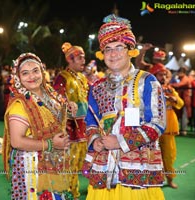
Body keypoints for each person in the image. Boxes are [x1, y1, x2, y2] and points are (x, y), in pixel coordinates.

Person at [82, 15, 166, 200]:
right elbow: (90, 122)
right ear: (101, 54)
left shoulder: (147, 82)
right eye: (108, 49)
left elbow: (157, 124)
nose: (113, 54)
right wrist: (95, 140)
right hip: (103, 168)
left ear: (131, 50)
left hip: (138, 171)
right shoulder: (97, 87)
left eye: (119, 47)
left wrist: (121, 142)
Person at [2, 53, 77, 199]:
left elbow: (56, 117)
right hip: (32, 166)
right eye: (25, 73)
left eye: (35, 71)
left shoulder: (49, 93)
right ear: (18, 77)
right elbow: (17, 142)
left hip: (55, 163)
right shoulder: (20, 105)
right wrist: (50, 144)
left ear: (42, 71)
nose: (32, 76)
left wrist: (69, 108)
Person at [53, 42, 89, 199]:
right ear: (70, 59)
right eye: (80, 58)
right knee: (69, 166)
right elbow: (55, 99)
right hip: (69, 130)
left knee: (79, 165)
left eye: (83, 57)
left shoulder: (82, 78)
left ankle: (72, 192)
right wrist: (66, 104)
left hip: (83, 129)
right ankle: (70, 194)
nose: (83, 61)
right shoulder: (62, 77)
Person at [149, 63, 184, 189]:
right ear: (154, 75)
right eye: (160, 74)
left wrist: (174, 99)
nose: (163, 77)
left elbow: (180, 103)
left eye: (164, 74)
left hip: (169, 126)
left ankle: (169, 179)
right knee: (153, 155)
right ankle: (156, 179)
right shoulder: (149, 88)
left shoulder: (170, 88)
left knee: (169, 155)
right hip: (154, 126)